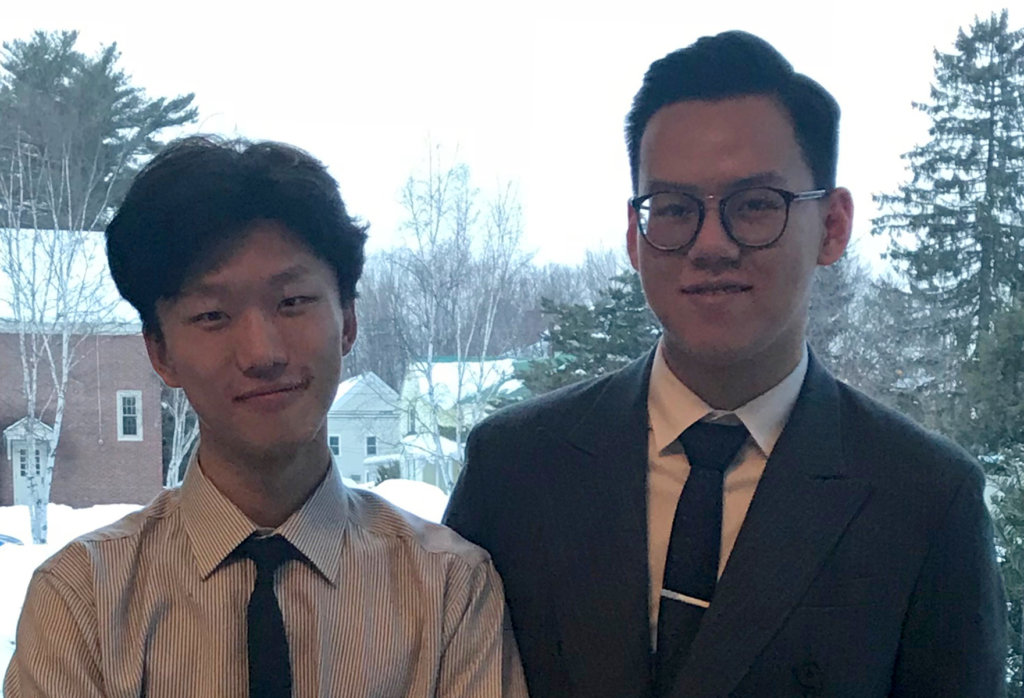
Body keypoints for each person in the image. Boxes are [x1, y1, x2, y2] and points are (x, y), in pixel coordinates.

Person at [444, 30, 1006, 698]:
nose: (711, 245)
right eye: (674, 209)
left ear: (832, 226)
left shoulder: (925, 500)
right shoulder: (515, 469)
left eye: (755, 206)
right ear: (634, 236)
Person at [4, 136, 528, 698]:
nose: (262, 353)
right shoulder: (81, 601)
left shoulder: (448, 589)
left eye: (292, 302)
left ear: (348, 321)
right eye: (212, 315)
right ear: (160, 352)